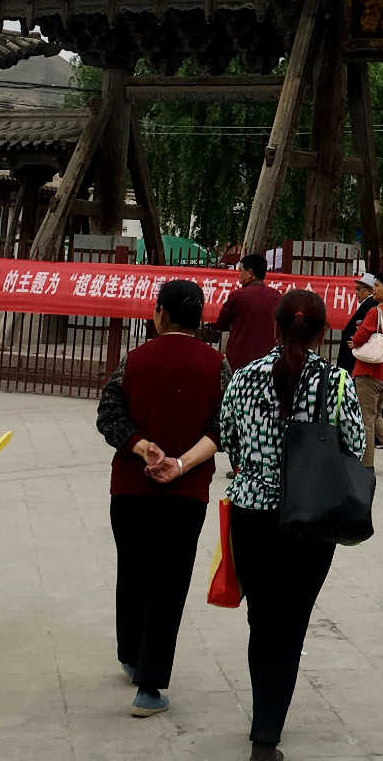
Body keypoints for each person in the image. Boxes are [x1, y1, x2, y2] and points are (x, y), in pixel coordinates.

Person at [218, 288, 365, 761]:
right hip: (312, 518)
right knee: (290, 623)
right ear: (323, 335)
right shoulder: (339, 383)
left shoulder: (242, 380)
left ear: (274, 329)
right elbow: (356, 447)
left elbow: (230, 442)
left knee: (261, 617)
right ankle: (265, 737)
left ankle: (263, 716)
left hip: (251, 516)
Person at [96, 278, 227, 719]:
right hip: (186, 494)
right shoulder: (216, 364)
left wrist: (142, 446)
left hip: (131, 489)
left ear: (160, 314)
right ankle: (149, 687)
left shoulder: (133, 360)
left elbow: (108, 413)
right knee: (168, 583)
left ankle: (131, 656)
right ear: (200, 319)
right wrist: (182, 462)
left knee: (132, 570)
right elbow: (224, 426)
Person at [350, 270, 383, 472]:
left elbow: (361, 335)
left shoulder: (375, 311)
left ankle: (367, 464)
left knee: (366, 420)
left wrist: (353, 343)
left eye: (378, 286)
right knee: (376, 413)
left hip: (369, 372)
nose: (374, 290)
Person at [204, 253, 282, 372]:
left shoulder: (237, 296)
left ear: (250, 273)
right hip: (268, 362)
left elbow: (221, 324)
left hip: (239, 361)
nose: (239, 276)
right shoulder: (277, 297)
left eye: (241, 271)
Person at [334, 271, 382, 372]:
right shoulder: (370, 305)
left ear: (370, 290)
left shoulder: (368, 306)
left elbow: (362, 330)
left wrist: (355, 341)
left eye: (359, 289)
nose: (356, 292)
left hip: (353, 360)